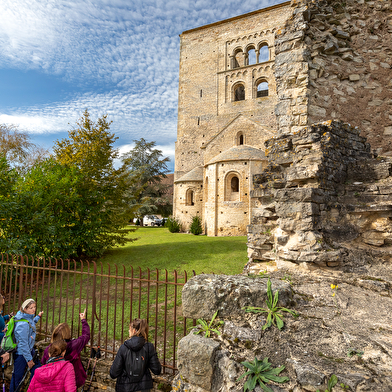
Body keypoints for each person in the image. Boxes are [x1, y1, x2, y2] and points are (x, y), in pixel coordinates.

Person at [41, 309, 90, 389]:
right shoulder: (74, 345)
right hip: (71, 381)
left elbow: (43, 362)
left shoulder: (48, 349)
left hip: (53, 383)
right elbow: (86, 336)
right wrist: (83, 320)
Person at [110, 318, 162, 392]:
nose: (128, 331)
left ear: (134, 330)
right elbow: (157, 370)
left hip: (125, 387)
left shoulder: (123, 348)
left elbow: (113, 373)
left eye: (129, 329)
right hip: (143, 388)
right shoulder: (149, 347)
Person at [10, 298, 43, 392]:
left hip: (29, 350)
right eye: (30, 308)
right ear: (24, 309)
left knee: (37, 371)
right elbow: (23, 344)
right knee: (17, 377)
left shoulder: (27, 317)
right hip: (22, 354)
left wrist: (38, 316)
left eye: (34, 307)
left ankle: (32, 388)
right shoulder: (22, 324)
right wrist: (29, 360)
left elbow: (31, 323)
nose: (33, 309)